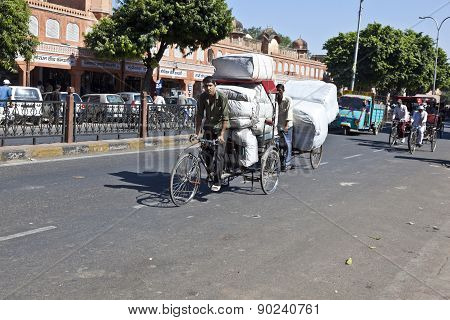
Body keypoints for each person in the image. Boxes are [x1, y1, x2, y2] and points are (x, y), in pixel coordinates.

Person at [194, 76, 229, 192]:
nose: (208, 88)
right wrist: (197, 133)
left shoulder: (222, 97)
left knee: (219, 155)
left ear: (215, 86)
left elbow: (225, 118)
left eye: (210, 86)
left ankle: (218, 181)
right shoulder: (202, 97)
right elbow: (199, 116)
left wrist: (221, 135)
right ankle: (211, 173)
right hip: (208, 128)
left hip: (221, 129)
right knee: (206, 154)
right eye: (205, 86)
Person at [276, 83, 293, 171]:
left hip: (287, 125)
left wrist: (286, 125)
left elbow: (289, 113)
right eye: (277, 91)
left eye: (280, 91)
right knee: (277, 143)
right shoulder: (275, 99)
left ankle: (287, 163)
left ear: (283, 91)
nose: (278, 92)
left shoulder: (287, 100)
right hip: (278, 125)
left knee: (287, 144)